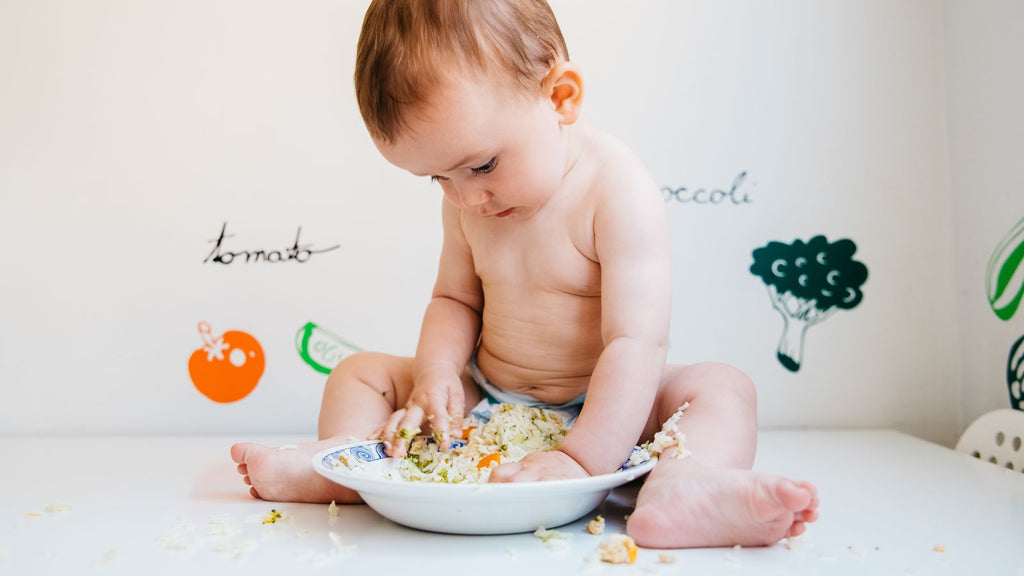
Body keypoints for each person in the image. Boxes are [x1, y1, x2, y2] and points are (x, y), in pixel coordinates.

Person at [231, 0, 818, 548]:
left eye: (481, 165)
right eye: (437, 178)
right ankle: (354, 459)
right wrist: (436, 374)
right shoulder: (469, 199)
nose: (466, 198)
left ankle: (686, 484)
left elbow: (636, 341)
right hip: (489, 395)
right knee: (361, 374)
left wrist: (584, 459)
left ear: (561, 97)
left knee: (722, 388)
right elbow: (454, 299)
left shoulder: (615, 190)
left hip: (612, 406)